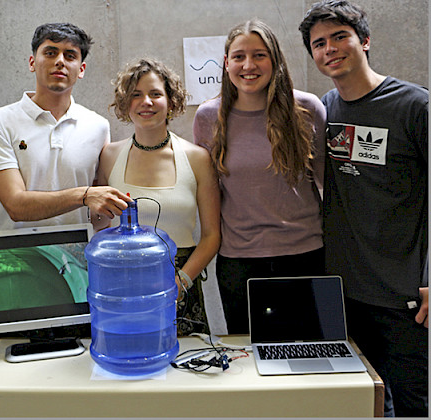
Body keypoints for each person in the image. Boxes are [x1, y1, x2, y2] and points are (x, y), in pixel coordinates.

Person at [299, 1, 428, 416]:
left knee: (414, 402)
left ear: (365, 41)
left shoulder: (414, 106)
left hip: (404, 293)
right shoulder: (325, 109)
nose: (330, 49)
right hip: (345, 291)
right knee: (366, 402)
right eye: (319, 43)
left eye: (340, 37)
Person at [0, 23, 131, 358]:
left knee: (77, 381)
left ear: (81, 69)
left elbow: (100, 211)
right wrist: (84, 194)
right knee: (5, 387)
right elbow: (16, 205)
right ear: (33, 62)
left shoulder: (97, 126)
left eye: (70, 55)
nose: (60, 61)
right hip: (15, 268)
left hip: (77, 276)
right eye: (50, 52)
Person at [193, 20, 327, 334]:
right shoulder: (208, 117)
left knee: (313, 358)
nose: (248, 65)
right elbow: (208, 192)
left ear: (275, 61)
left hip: (305, 257)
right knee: (250, 364)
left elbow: (329, 188)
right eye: (239, 56)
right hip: (239, 264)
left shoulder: (307, 108)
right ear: (226, 63)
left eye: (259, 55)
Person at [97, 58, 221, 335]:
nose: (146, 102)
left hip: (181, 283)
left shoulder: (197, 158)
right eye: (136, 95)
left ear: (171, 100)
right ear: (124, 103)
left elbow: (212, 235)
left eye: (155, 94)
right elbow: (100, 224)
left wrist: (182, 282)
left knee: (188, 367)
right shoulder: (109, 156)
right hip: (124, 282)